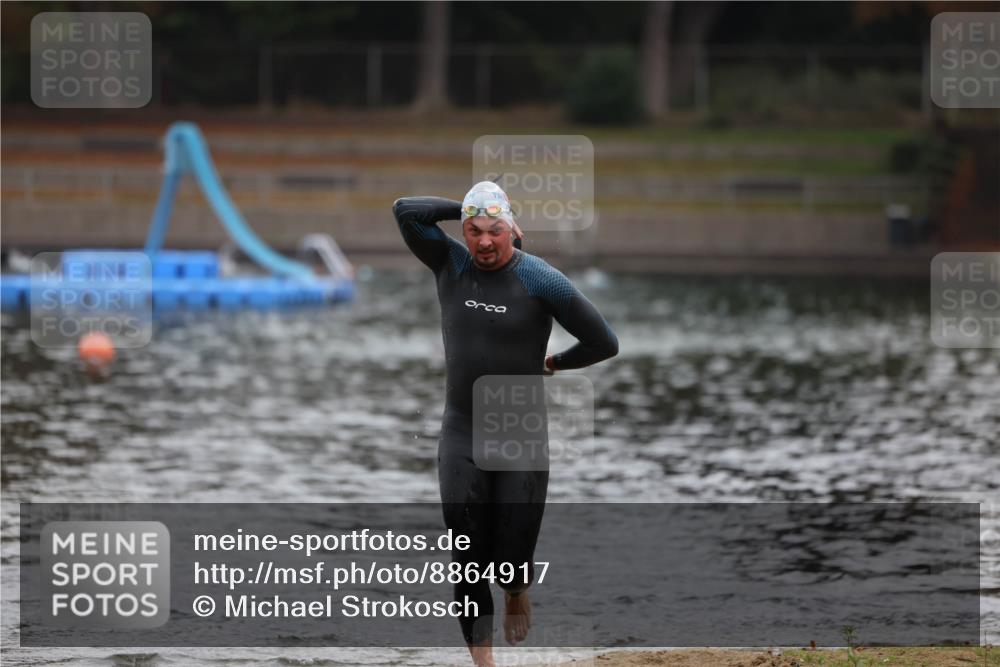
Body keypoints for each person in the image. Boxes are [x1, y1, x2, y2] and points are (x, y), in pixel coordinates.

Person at [392, 181, 618, 667]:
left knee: (510, 557)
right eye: (474, 230)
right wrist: (467, 206)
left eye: (495, 230)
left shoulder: (542, 280)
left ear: (512, 229)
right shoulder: (449, 263)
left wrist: (555, 364)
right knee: (468, 556)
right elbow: (406, 210)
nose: (484, 241)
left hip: (522, 440)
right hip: (461, 435)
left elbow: (604, 342)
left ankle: (517, 588)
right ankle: (484, 664)